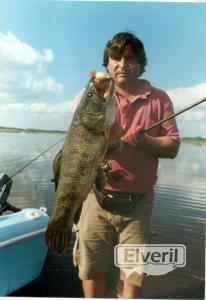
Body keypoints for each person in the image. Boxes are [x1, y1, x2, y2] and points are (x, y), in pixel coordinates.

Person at [73, 31, 180, 299]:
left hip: (139, 204)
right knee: (92, 271)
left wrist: (143, 142)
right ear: (106, 63)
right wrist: (92, 94)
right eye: (116, 58)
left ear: (141, 63)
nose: (123, 64)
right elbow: (81, 138)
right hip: (95, 199)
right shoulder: (93, 94)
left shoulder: (159, 99)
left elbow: (173, 146)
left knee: (133, 277)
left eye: (130, 58)